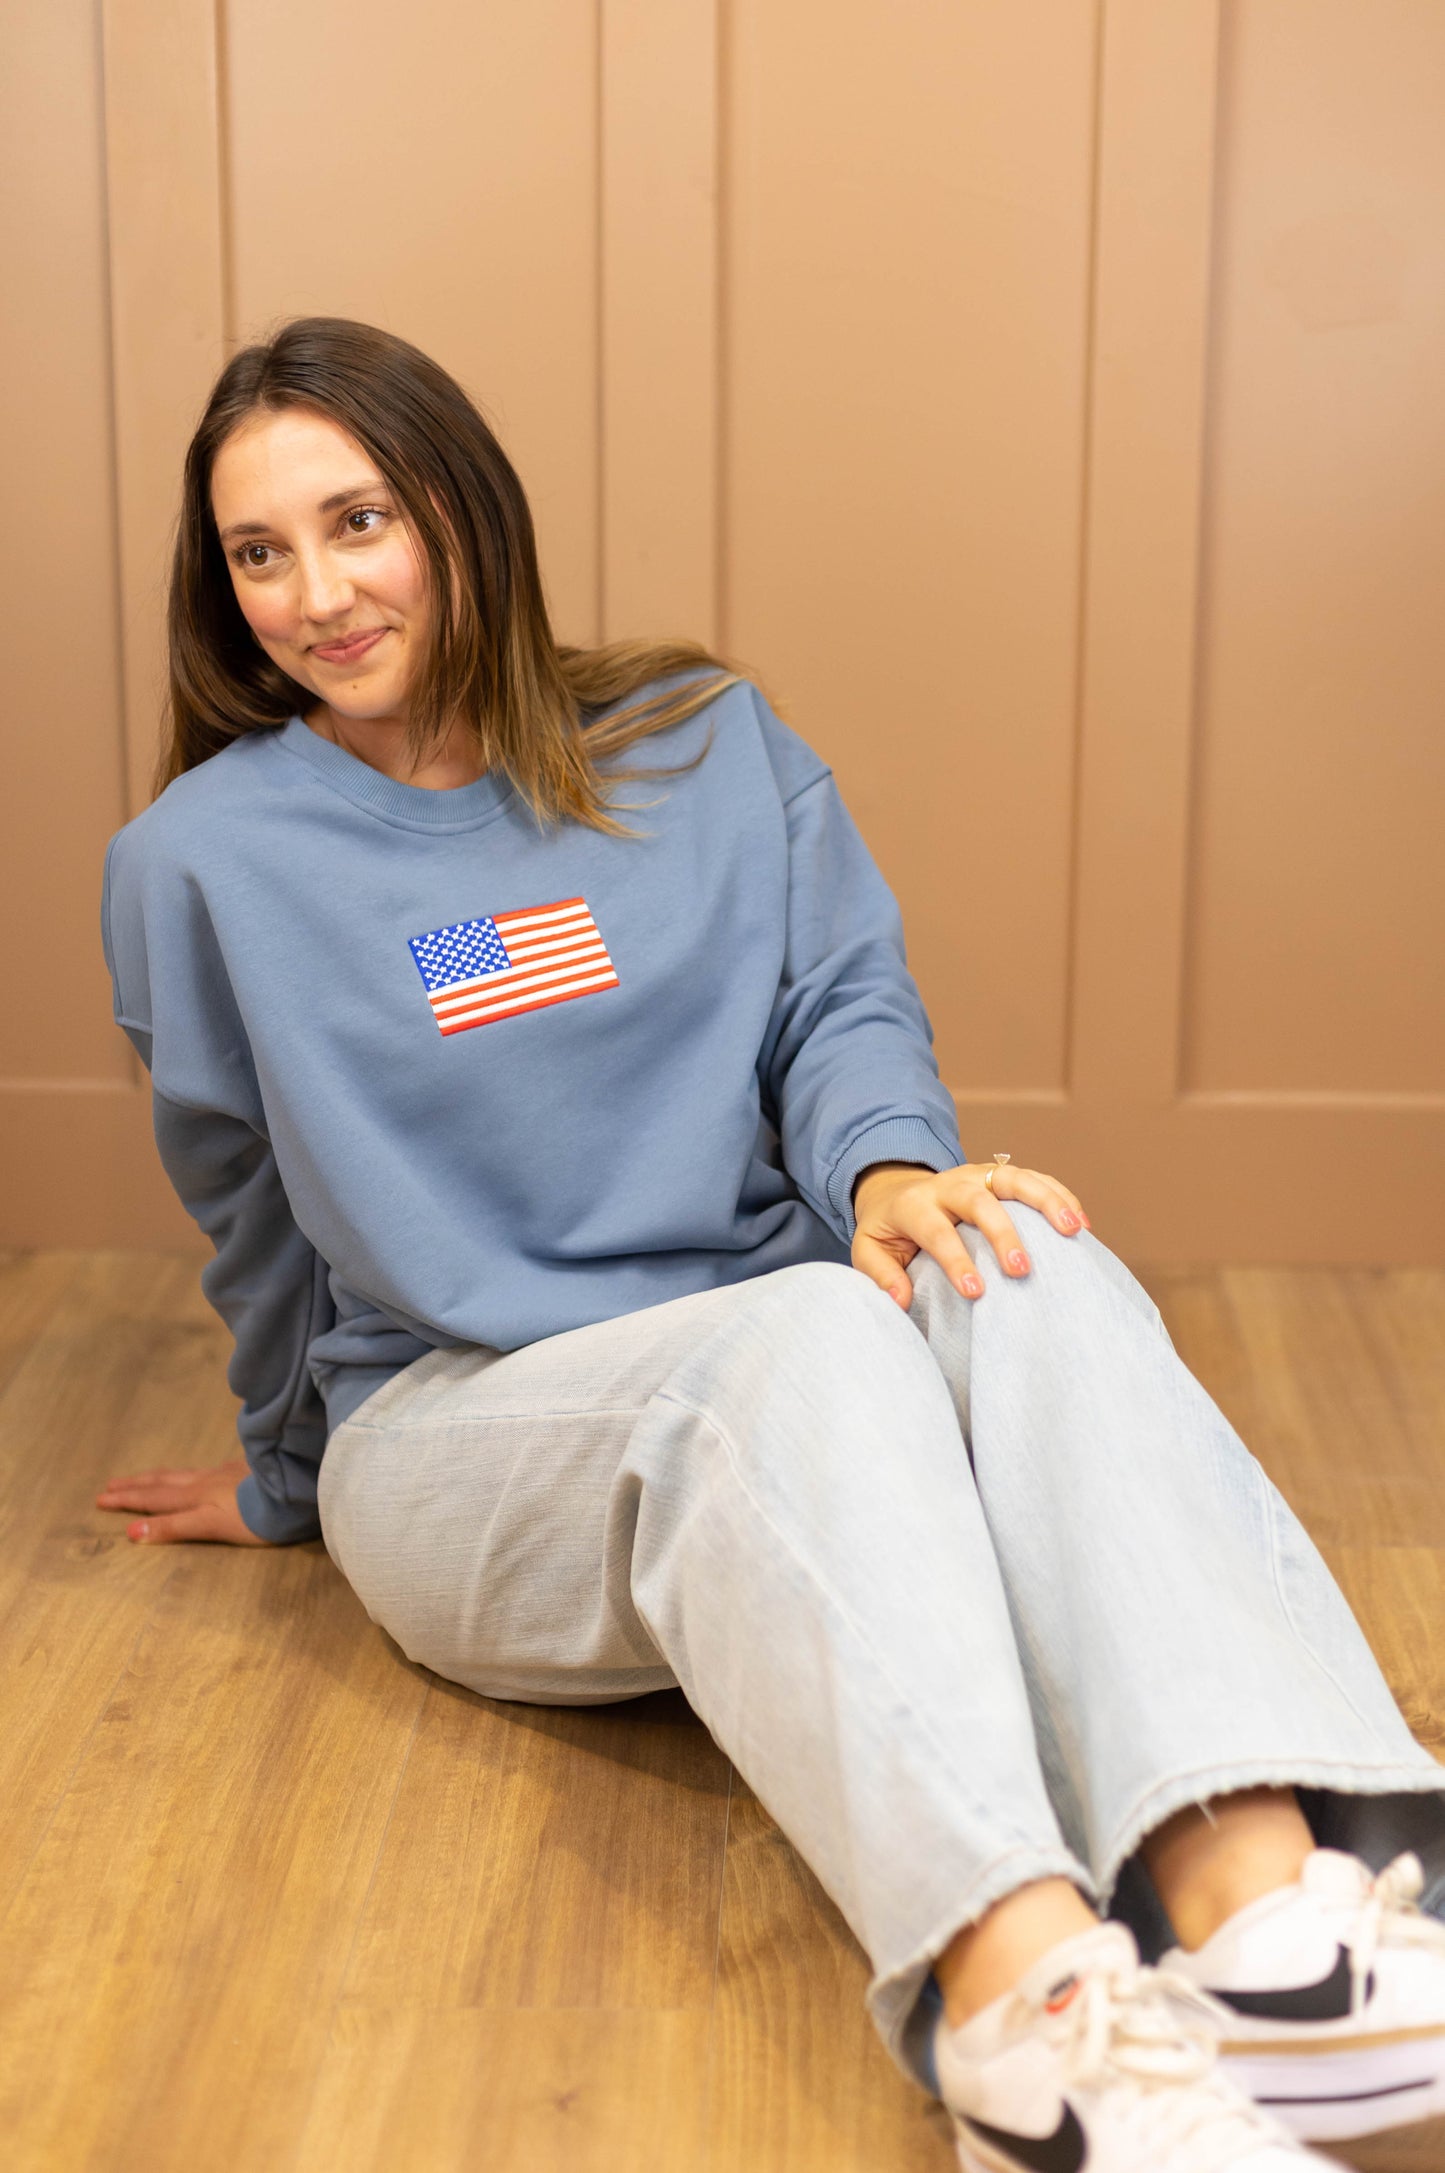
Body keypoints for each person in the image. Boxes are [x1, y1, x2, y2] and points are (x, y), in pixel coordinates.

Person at [97, 316, 1445, 2173]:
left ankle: (1267, 1922)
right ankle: (1029, 2019)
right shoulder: (198, 863)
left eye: (360, 521)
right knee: (805, 1334)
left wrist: (893, 1173)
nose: (316, 593)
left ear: (462, 513)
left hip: (794, 1350)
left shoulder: (698, 740)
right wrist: (280, 1473)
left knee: (1021, 1250)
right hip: (467, 1432)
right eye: (260, 553)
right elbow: (245, 1207)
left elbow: (839, 1003)